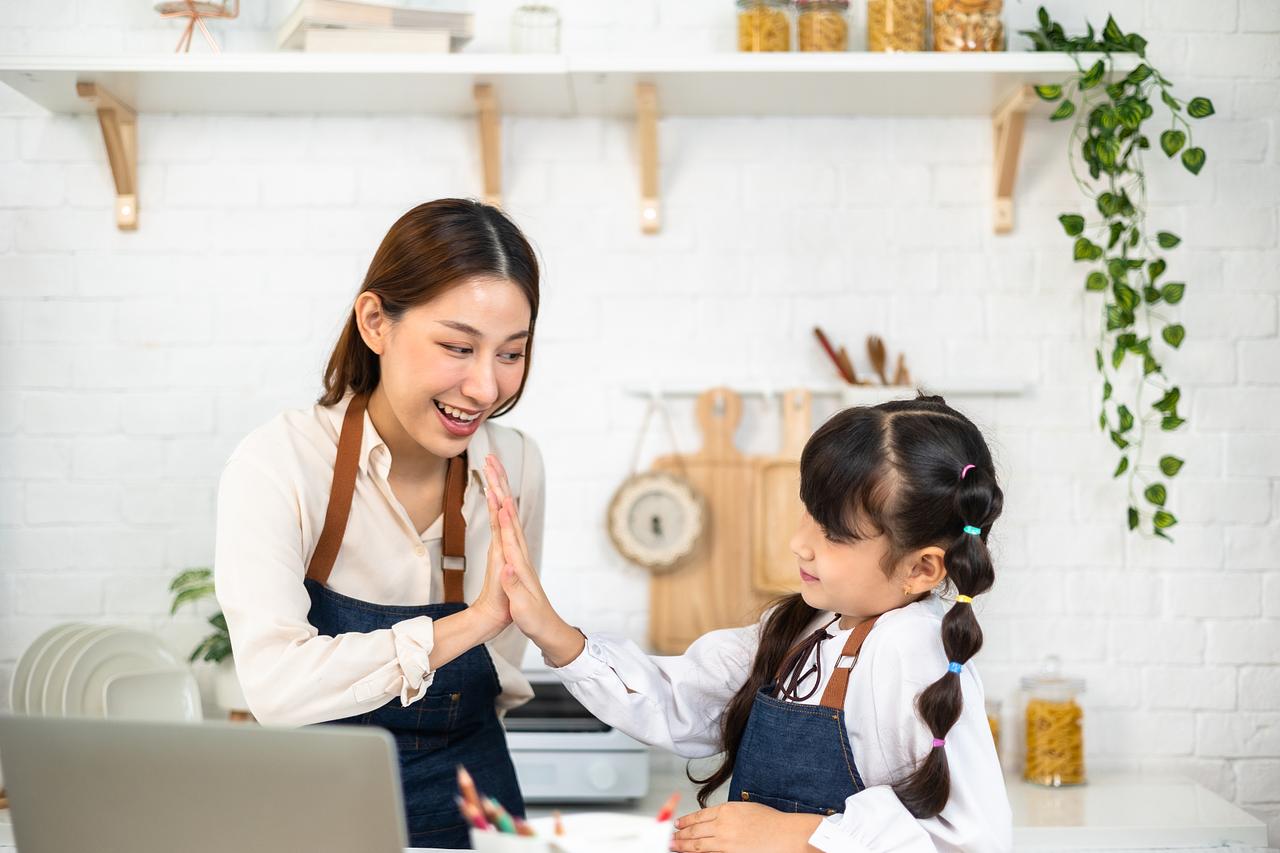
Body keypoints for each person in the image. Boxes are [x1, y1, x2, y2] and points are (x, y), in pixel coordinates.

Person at [485, 395, 1012, 852]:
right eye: (808, 511)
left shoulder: (908, 647)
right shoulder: (807, 625)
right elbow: (682, 703)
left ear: (921, 569)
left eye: (833, 534)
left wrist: (794, 837)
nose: (799, 542)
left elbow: (969, 840)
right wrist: (550, 629)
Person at [214, 198, 544, 849]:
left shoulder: (517, 465)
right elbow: (277, 687)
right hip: (315, 806)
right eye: (458, 346)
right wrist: (470, 622)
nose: (485, 387)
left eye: (511, 353)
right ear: (375, 322)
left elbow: (502, 668)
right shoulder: (280, 463)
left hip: (474, 800)